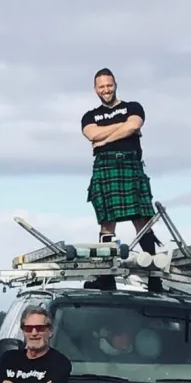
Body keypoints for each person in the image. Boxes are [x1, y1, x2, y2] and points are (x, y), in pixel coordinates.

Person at [81, 68, 164, 293]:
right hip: (105, 166)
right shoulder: (90, 116)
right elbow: (91, 134)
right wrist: (121, 128)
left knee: (143, 220)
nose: (106, 90)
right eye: (101, 86)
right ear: (95, 89)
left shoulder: (133, 107)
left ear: (115, 84)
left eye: (109, 85)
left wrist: (104, 138)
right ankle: (107, 278)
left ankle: (155, 279)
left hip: (130, 164)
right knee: (107, 222)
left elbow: (134, 125)